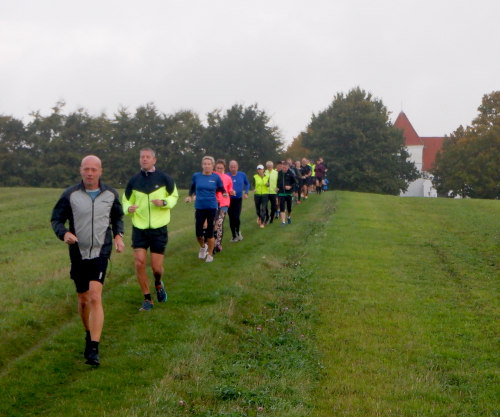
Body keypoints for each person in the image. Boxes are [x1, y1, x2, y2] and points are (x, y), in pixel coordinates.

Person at [51, 155, 125, 366]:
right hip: (78, 252)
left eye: (94, 169)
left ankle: (94, 348)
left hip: (101, 251)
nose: (90, 173)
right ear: (81, 171)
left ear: (100, 171)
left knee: (94, 296)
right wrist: (64, 233)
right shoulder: (70, 195)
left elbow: (117, 217)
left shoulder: (110, 194)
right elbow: (56, 219)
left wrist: (118, 235)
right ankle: (88, 332)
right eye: (86, 169)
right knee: (83, 300)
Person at [122, 148, 179, 312]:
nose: (144, 159)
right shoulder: (133, 181)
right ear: (139, 160)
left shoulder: (164, 178)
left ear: (154, 160)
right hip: (139, 228)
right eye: (142, 157)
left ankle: (158, 283)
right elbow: (125, 200)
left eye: (148, 157)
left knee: (156, 268)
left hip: (159, 228)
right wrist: (128, 208)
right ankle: (147, 299)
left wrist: (165, 203)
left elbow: (174, 196)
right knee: (139, 263)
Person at [185, 156, 228, 263]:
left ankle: (210, 254)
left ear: (212, 166)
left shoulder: (216, 177)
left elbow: (221, 188)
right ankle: (203, 247)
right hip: (199, 206)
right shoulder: (197, 176)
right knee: (198, 233)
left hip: (212, 206)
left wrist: (224, 193)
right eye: (205, 164)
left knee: (210, 232)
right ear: (202, 165)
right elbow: (192, 187)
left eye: (209, 164)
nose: (207, 166)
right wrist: (189, 196)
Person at [213, 159, 235, 253]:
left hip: (224, 203)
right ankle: (211, 243)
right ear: (215, 167)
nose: (219, 169)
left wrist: (232, 192)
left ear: (224, 168)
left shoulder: (227, 178)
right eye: (218, 168)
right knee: (213, 223)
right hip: (213, 202)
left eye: (221, 168)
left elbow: (229, 189)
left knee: (220, 222)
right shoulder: (212, 176)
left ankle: (217, 244)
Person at [227, 160, 249, 242]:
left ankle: (238, 232)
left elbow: (247, 184)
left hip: (238, 199)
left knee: (236, 217)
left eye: (234, 167)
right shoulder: (226, 176)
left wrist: (246, 193)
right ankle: (233, 236)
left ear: (237, 167)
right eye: (231, 167)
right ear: (229, 167)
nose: (233, 169)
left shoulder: (242, 175)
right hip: (229, 200)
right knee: (231, 218)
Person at [275, 161, 296, 226]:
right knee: (282, 207)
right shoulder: (279, 173)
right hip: (281, 193)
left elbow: (295, 183)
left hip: (289, 193)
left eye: (285, 168)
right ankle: (283, 222)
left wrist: (290, 187)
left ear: (288, 167)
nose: (284, 169)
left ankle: (288, 217)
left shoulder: (291, 174)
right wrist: (277, 188)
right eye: (283, 167)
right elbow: (278, 182)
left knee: (289, 207)